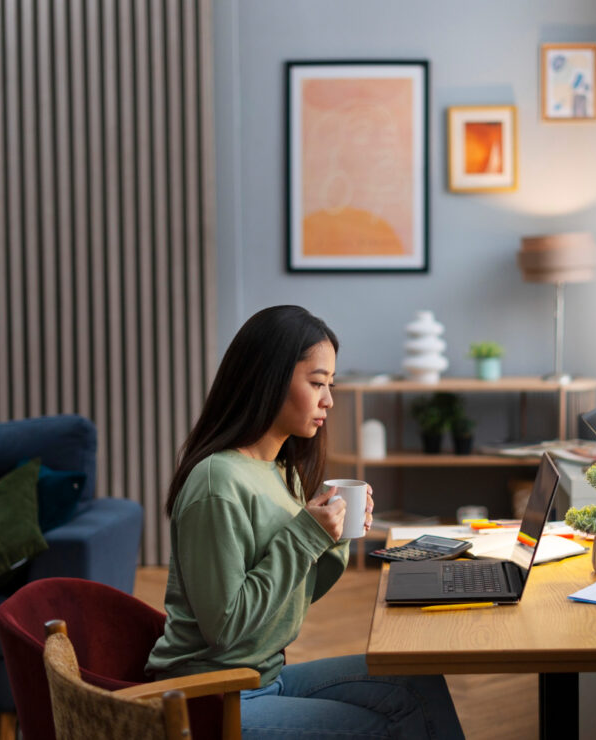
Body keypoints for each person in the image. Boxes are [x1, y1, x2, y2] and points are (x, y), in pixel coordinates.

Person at [146, 305, 464, 739]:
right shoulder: (216, 482)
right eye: (317, 383)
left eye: (329, 385)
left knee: (418, 682)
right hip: (211, 698)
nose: (328, 400)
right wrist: (306, 535)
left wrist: (333, 537)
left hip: (263, 678)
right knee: (378, 729)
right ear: (269, 378)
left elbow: (289, 598)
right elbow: (225, 628)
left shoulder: (282, 471)